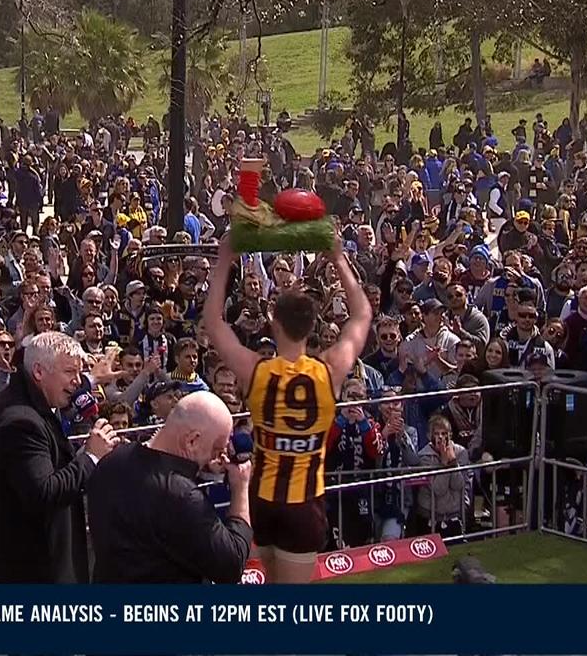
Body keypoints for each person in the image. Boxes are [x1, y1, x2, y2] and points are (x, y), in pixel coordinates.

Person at [202, 236, 373, 584]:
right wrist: (338, 259)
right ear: (312, 328)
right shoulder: (331, 369)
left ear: (274, 324)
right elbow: (362, 314)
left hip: (263, 499)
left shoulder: (257, 370)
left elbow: (214, 322)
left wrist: (225, 260)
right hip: (304, 503)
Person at [0, 331, 118, 583]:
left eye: (79, 374)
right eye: (70, 372)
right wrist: (90, 457)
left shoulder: (24, 398)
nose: (76, 382)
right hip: (21, 574)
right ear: (38, 372)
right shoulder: (20, 421)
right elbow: (44, 492)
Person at [87, 391, 253, 583]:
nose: (217, 457)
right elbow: (232, 565)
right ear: (192, 440)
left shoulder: (111, 461)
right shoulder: (181, 495)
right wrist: (241, 488)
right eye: (216, 449)